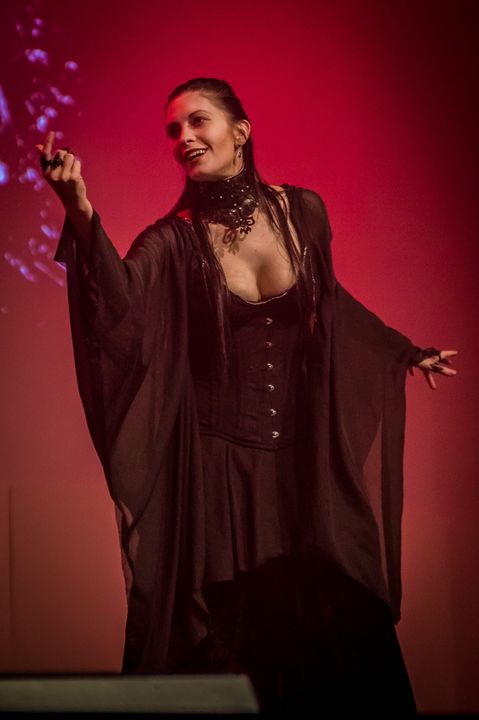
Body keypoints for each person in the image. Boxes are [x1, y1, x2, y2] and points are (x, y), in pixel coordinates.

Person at [37, 77, 457, 714]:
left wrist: (402, 350)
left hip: (298, 469)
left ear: (241, 131)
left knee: (332, 631)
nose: (184, 138)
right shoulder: (172, 240)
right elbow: (116, 308)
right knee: (230, 644)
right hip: (217, 477)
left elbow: (330, 306)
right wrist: (80, 210)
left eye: (197, 121)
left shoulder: (304, 212)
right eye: (173, 130)